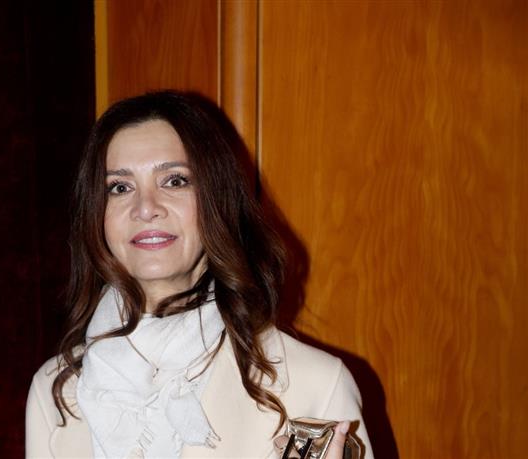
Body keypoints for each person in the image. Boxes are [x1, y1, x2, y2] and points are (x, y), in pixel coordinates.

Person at [26, 91, 374, 458]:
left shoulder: (315, 385)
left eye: (174, 181)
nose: (146, 208)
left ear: (216, 199)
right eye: (120, 187)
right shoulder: (55, 394)